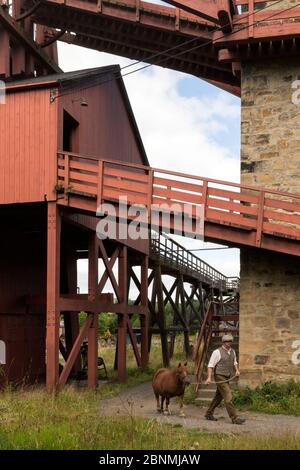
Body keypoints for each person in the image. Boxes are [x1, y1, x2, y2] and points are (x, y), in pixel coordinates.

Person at [204, 333, 245, 425]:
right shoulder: (217, 352)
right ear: (223, 342)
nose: (228, 343)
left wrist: (237, 370)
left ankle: (208, 413)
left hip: (227, 376)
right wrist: (209, 378)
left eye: (230, 341)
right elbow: (210, 366)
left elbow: (235, 362)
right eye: (226, 341)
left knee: (218, 397)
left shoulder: (233, 352)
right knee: (228, 397)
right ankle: (235, 418)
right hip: (219, 376)